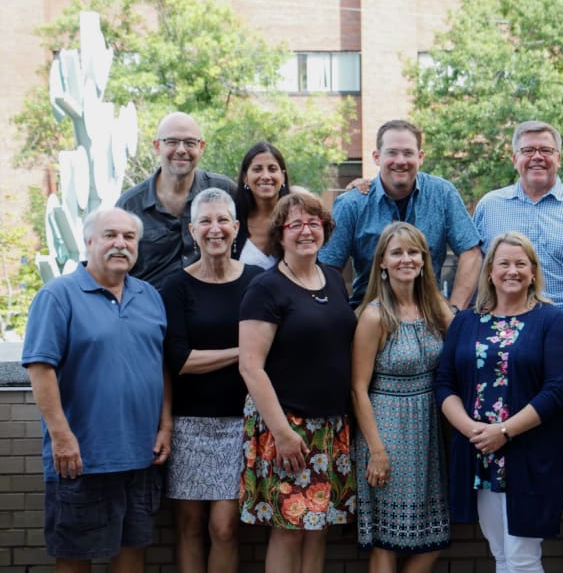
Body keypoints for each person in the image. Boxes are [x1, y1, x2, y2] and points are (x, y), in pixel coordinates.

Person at [21, 207, 171, 572]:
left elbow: (161, 365)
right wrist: (61, 437)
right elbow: (40, 369)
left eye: (129, 237)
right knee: (75, 555)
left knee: (133, 549)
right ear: (89, 242)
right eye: (110, 235)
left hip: (141, 454)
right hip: (82, 457)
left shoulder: (150, 296)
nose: (120, 244)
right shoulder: (58, 296)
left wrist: (165, 426)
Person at [435, 232, 563, 573]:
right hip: (481, 453)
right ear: (489, 272)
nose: (512, 271)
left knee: (523, 557)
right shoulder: (466, 321)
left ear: (532, 271)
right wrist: (474, 431)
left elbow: (557, 390)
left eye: (520, 264)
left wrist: (504, 431)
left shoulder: (551, 320)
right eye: (504, 263)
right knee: (501, 553)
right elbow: (444, 383)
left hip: (529, 454)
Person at [238, 192, 357, 573]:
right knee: (289, 527)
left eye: (314, 223)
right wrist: (283, 433)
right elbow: (251, 366)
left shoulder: (335, 281)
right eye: (296, 225)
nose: (306, 231)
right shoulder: (266, 288)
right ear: (280, 235)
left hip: (331, 427)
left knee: (317, 526)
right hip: (287, 427)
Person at [159, 188, 263, 573]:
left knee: (224, 528)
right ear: (192, 230)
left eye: (222, 220)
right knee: (188, 526)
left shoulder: (257, 281)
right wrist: (244, 353)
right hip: (189, 425)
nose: (214, 229)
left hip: (242, 424)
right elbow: (180, 360)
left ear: (236, 228)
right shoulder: (175, 287)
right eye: (205, 221)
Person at [351, 222, 453, 571]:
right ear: (382, 262)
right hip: (388, 429)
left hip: (429, 432)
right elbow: (358, 389)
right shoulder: (375, 316)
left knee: (434, 534)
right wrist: (376, 451)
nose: (405, 259)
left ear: (424, 260)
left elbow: (464, 348)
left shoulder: (435, 309)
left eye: (413, 252)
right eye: (397, 253)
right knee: (387, 539)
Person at [473, 120, 563, 342]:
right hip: (503, 316)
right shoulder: (490, 206)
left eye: (546, 150)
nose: (537, 156)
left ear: (558, 159)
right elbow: (477, 268)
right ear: (515, 159)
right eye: (528, 150)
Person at [319, 119, 482, 309]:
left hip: (429, 316)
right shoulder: (352, 203)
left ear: (420, 157)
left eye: (408, 153)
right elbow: (329, 268)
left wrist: (454, 312)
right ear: (377, 157)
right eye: (392, 153)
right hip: (370, 317)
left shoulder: (442, 194)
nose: (400, 161)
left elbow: (471, 252)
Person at [116, 111, 235, 286]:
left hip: (212, 306)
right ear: (157, 146)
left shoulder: (224, 190)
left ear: (201, 147)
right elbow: (114, 266)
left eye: (190, 143)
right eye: (171, 142)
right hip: (152, 308)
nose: (181, 150)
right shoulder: (130, 205)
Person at [233, 141, 291, 269]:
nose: (265, 176)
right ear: (245, 178)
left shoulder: (297, 218)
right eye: (257, 169)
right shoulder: (231, 220)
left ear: (282, 176)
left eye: (272, 169)